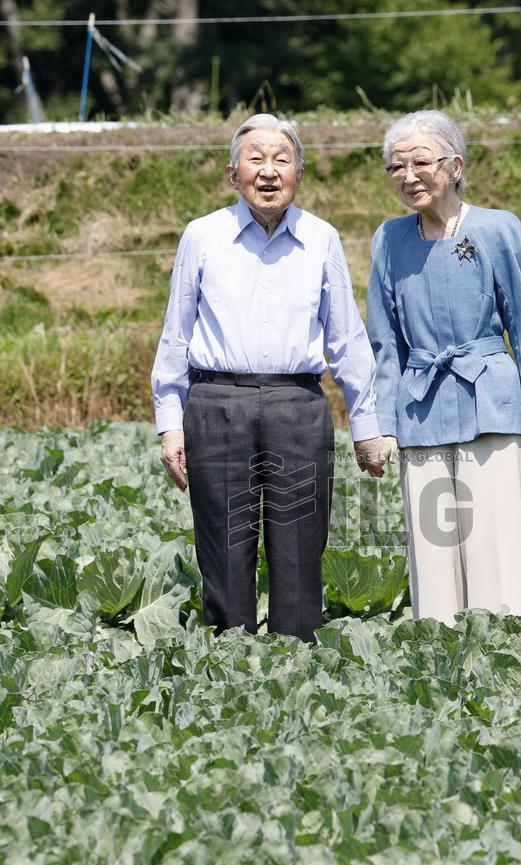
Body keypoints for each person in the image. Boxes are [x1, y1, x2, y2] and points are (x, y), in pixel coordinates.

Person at [152, 113, 394, 643]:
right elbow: (176, 333)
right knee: (223, 545)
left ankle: (297, 660)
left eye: (282, 160)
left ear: (298, 174)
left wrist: (367, 427)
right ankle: (229, 658)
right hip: (216, 401)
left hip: (297, 403)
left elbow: (347, 338)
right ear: (231, 174)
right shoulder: (202, 236)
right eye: (255, 159)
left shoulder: (321, 238)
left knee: (301, 545)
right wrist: (170, 422)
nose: (268, 171)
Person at [366, 110, 521, 627]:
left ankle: (508, 651)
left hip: (492, 404)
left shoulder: (498, 229)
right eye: (397, 166)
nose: (409, 176)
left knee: (495, 548)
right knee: (433, 553)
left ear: (454, 166)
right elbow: (384, 345)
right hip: (420, 408)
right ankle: (440, 654)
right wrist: (382, 425)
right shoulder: (388, 239)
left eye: (421, 162)